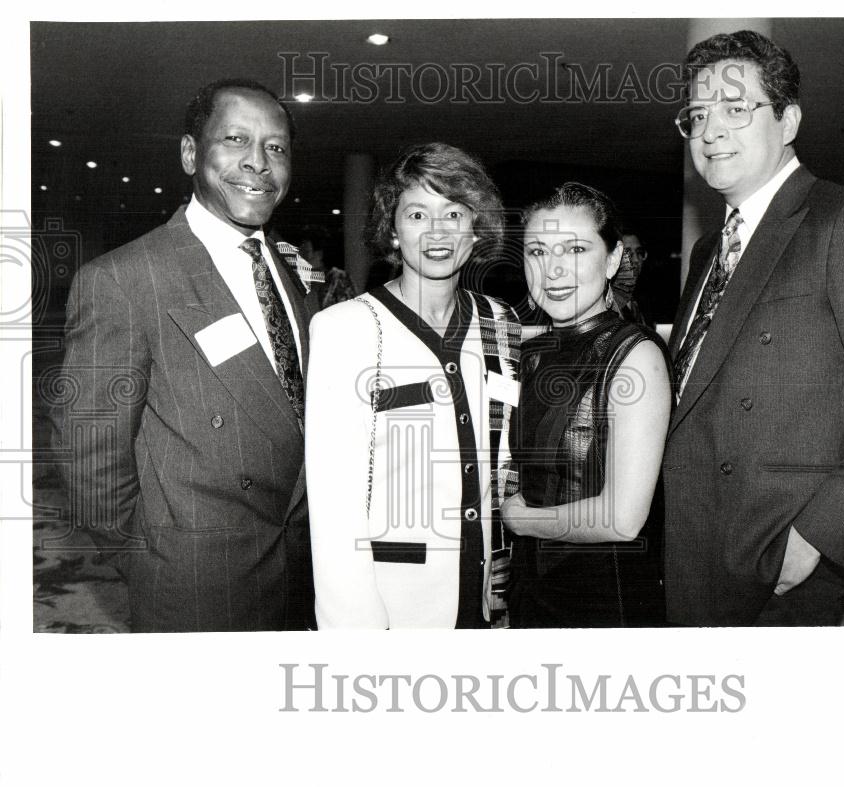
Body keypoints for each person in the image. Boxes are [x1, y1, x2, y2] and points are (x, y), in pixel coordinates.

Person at [663, 30, 844, 626]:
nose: (711, 130)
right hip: (696, 554)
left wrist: (817, 538)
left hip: (777, 574)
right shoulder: (710, 251)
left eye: (735, 108)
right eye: (697, 115)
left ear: (788, 120)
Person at [50, 78, 316, 632]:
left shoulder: (290, 273)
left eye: (275, 147)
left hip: (301, 572)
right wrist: (152, 559)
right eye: (236, 139)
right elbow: (88, 458)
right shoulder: (123, 279)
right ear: (191, 153)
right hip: (197, 585)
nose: (259, 163)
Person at [306, 142, 520, 628]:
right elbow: (334, 504)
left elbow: (504, 456)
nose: (437, 231)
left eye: (454, 212)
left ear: (475, 227)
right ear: (393, 231)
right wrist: (358, 639)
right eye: (417, 214)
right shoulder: (347, 328)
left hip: (488, 594)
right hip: (395, 606)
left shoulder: (499, 322)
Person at [501, 182, 671, 627]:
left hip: (603, 601)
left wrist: (521, 520)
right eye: (538, 252)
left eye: (575, 249)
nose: (553, 270)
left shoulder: (637, 356)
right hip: (529, 591)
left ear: (613, 259)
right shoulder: (536, 354)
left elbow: (621, 518)